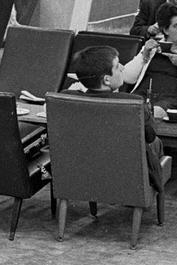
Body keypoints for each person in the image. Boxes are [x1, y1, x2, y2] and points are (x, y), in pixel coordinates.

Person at [68, 44, 165, 189]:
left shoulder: (66, 98)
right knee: (155, 142)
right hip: (126, 176)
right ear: (106, 80)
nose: (123, 68)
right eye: (117, 66)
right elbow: (150, 136)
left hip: (80, 172)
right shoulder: (134, 102)